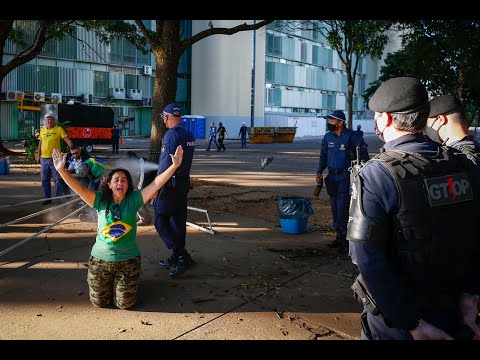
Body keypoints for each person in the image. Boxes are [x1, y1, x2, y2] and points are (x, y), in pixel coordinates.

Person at [347, 77, 480, 340]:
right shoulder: (466, 165)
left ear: (385, 119)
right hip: (456, 315)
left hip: (399, 324)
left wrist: (411, 323)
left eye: (376, 116)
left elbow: (368, 261)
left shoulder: (376, 175)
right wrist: (470, 299)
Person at [51, 145, 184, 310]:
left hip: (128, 260)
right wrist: (62, 171)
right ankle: (112, 283)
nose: (120, 182)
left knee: (125, 304)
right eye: (116, 180)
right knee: (101, 303)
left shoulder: (134, 200)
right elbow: (80, 189)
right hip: (100, 260)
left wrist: (174, 166)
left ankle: (127, 283)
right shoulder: (99, 200)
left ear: (128, 185)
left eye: (124, 180)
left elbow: (156, 183)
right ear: (109, 184)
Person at [315, 110, 369, 253]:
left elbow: (363, 156)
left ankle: (346, 239)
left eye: (332, 121)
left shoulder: (351, 136)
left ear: (340, 122)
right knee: (334, 208)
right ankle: (339, 236)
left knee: (343, 208)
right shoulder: (328, 138)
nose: (329, 123)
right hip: (332, 177)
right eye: (329, 121)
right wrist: (319, 171)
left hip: (346, 178)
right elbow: (323, 156)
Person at [154, 103, 196, 277]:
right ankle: (180, 255)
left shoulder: (171, 135)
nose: (163, 120)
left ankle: (180, 256)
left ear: (166, 117)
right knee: (177, 222)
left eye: (163, 117)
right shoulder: (188, 133)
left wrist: (156, 186)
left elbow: (165, 163)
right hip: (182, 184)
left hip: (169, 185)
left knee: (160, 220)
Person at [37, 112, 73, 205]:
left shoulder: (58, 129)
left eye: (51, 119)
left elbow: (66, 139)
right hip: (44, 159)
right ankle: (47, 198)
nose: (49, 120)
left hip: (56, 159)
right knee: (44, 180)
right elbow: (40, 143)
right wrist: (38, 155)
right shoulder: (42, 130)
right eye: (48, 119)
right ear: (45, 120)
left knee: (57, 180)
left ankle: (58, 199)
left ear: (54, 120)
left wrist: (72, 148)